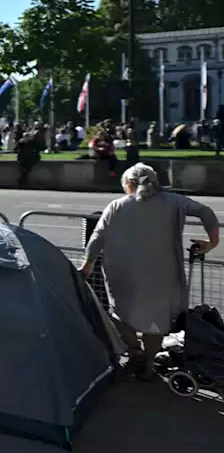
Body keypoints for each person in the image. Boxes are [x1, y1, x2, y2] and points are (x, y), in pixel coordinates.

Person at [81, 163, 220, 380]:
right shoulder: (174, 201)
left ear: (128, 184)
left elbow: (97, 237)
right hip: (163, 275)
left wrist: (88, 265)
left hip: (123, 274)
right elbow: (205, 212)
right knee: (155, 324)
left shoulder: (116, 206)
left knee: (119, 315)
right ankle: (147, 365)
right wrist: (212, 242)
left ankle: (134, 350)